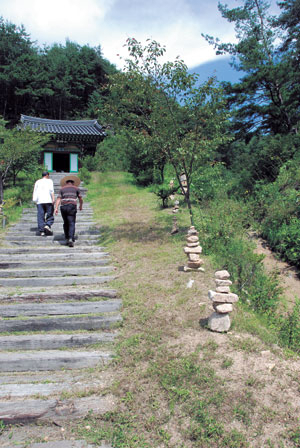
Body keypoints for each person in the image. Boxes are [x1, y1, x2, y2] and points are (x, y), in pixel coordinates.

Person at [54, 175, 83, 247]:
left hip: (63, 207)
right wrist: (81, 205)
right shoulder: (76, 188)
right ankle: (70, 238)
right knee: (71, 222)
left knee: (65, 223)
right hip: (72, 206)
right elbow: (80, 198)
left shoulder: (62, 189)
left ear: (66, 183)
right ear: (73, 183)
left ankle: (67, 238)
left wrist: (56, 208)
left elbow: (58, 199)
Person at [32, 171, 55, 236]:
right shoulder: (50, 181)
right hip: (48, 200)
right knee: (50, 214)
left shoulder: (37, 182)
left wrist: (35, 200)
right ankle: (47, 225)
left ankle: (42, 231)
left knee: (40, 215)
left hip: (39, 201)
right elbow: (52, 191)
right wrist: (53, 199)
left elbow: (35, 191)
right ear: (47, 175)